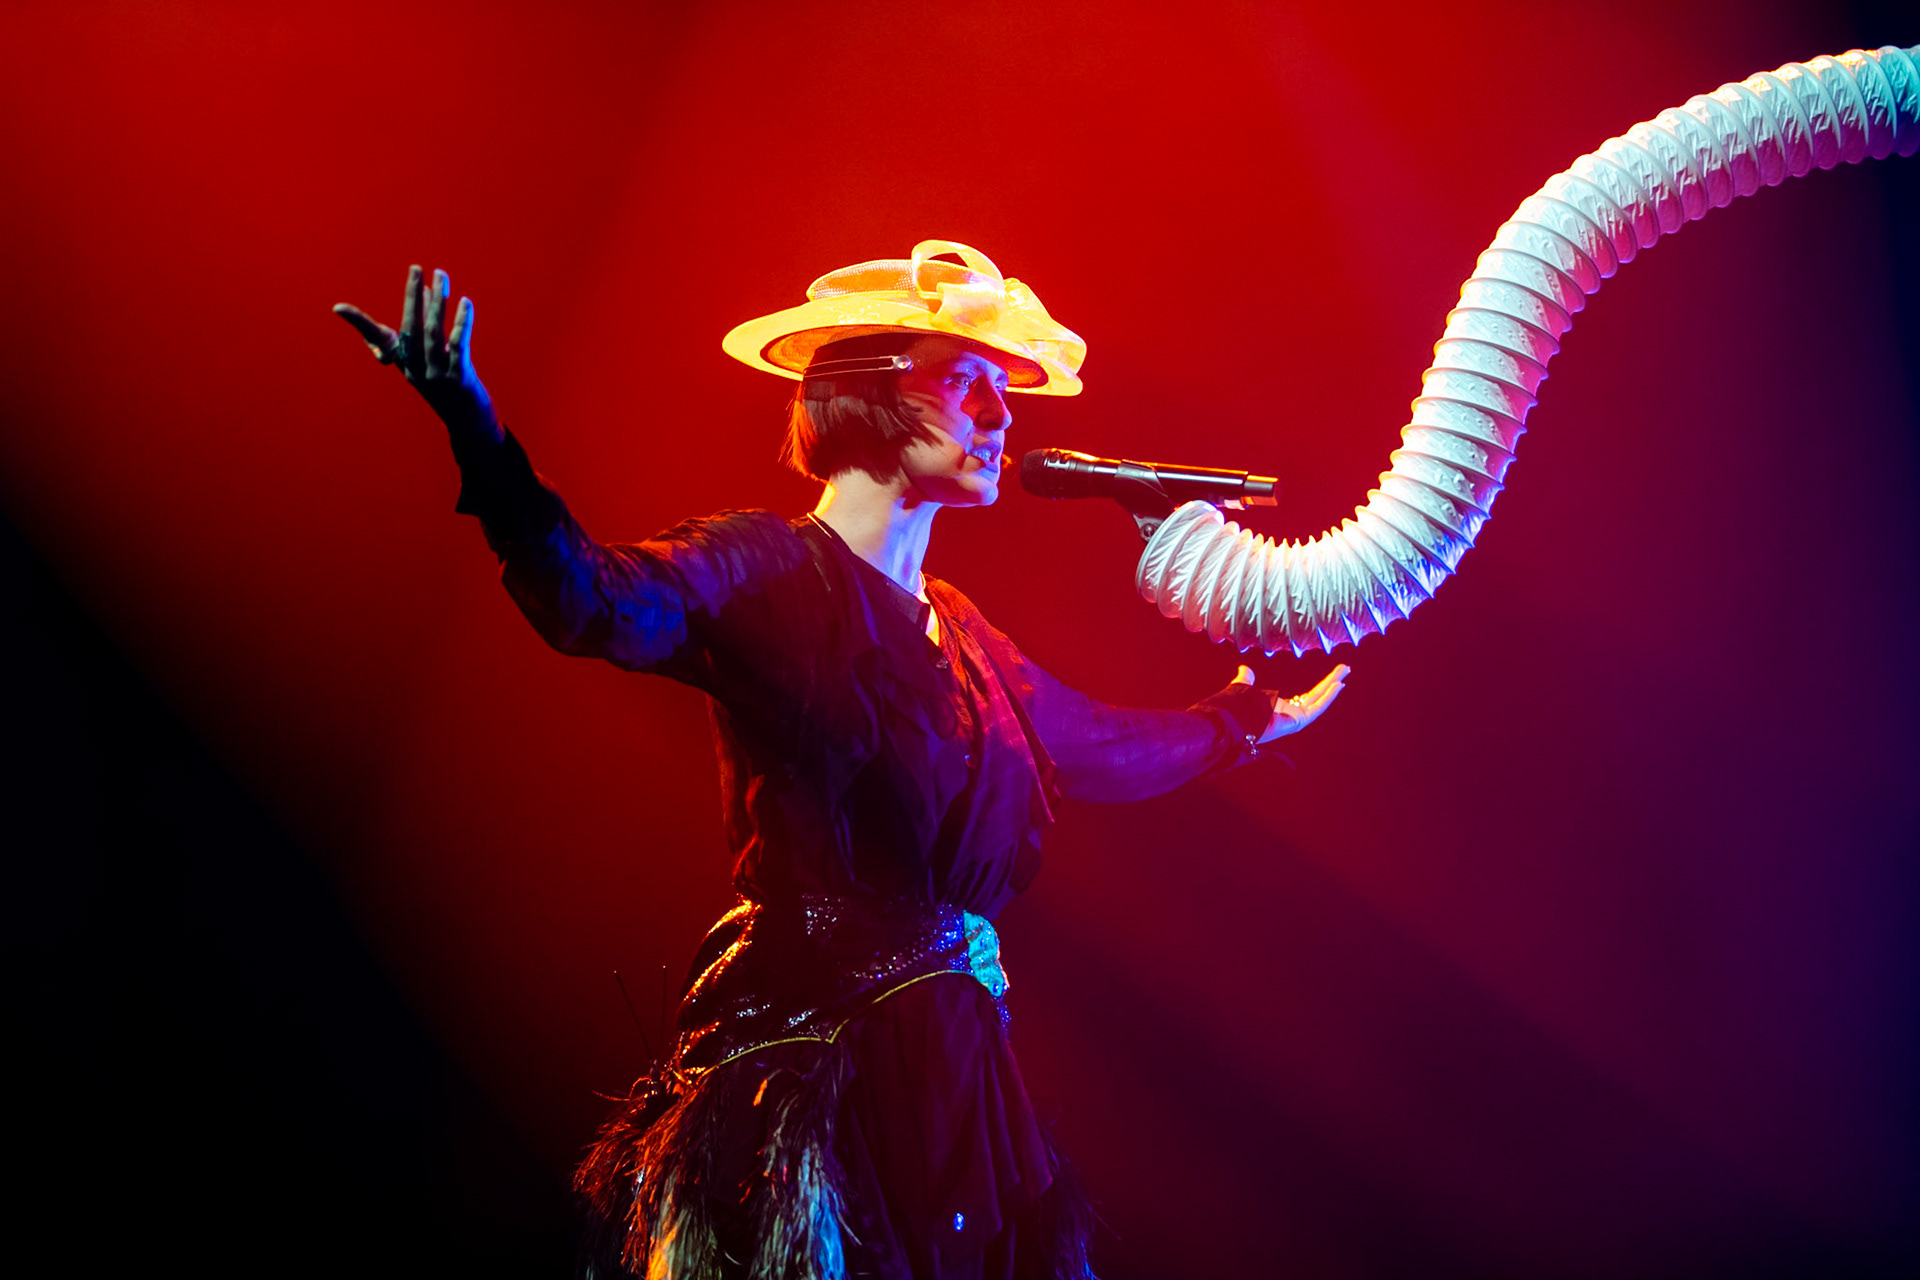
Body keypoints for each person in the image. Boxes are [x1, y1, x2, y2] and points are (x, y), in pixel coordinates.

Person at [334, 240, 1347, 1280]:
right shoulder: (771, 568)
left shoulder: (959, 630)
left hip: (950, 1074)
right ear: (864, 396)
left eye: (1004, 391)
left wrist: (1242, 717)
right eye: (965, 383)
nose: (1002, 418)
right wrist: (476, 430)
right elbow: (592, 598)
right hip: (815, 1067)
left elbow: (1092, 743)